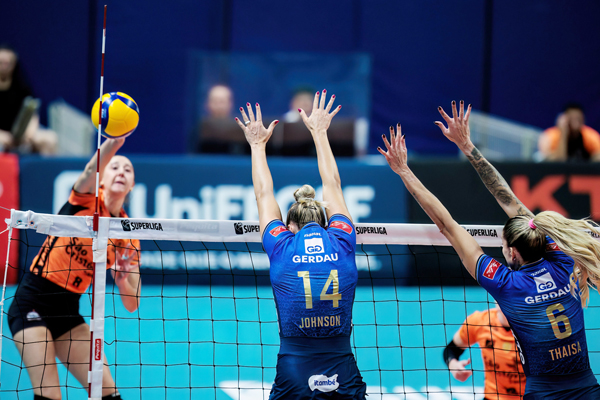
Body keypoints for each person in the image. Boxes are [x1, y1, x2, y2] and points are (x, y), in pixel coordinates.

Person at [379, 100, 600, 400]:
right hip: (587, 389)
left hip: (543, 394)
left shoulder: (506, 284)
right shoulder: (562, 260)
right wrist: (467, 145)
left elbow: (447, 224)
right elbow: (511, 201)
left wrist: (404, 170)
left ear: (512, 253)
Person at [236, 91, 367, 399]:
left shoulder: (282, 247)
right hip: (341, 367)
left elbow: (263, 194)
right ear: (325, 221)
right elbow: (333, 184)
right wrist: (320, 133)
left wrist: (257, 145)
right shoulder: (342, 240)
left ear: (289, 227)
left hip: (294, 368)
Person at [8, 138, 141, 399]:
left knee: (109, 395)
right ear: (102, 179)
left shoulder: (127, 234)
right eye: (114, 167)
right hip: (32, 302)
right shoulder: (83, 201)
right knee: (49, 395)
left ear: (133, 184)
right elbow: (90, 169)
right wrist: (115, 141)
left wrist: (122, 280)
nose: (121, 172)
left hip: (68, 313)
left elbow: (132, 303)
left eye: (127, 170)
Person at [444, 305, 525, 399]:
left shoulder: (537, 328)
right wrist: (453, 365)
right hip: (493, 397)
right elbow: (451, 349)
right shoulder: (479, 322)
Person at [0, 44, 57, 155]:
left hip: (21, 137)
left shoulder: (22, 87)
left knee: (50, 139)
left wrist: (29, 133)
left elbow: (32, 113)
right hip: (2, 137)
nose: (4, 66)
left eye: (7, 63)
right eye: (1, 62)